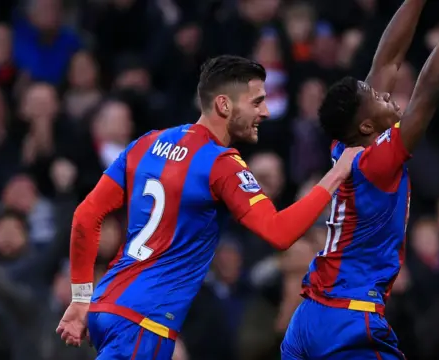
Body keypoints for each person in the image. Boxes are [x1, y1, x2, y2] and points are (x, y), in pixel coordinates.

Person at [55, 55, 362, 359]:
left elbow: (85, 215)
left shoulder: (147, 143)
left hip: (108, 304)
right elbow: (279, 232)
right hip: (144, 321)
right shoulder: (220, 163)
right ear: (224, 105)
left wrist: (81, 298)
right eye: (256, 102)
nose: (266, 112)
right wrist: (337, 172)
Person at [280, 0, 439, 358]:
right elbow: (431, 90)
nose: (384, 93)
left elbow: (386, 61)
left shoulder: (345, 146)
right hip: (348, 317)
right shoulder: (377, 161)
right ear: (365, 125)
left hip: (310, 317)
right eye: (376, 97)